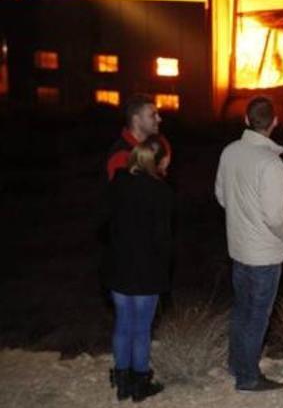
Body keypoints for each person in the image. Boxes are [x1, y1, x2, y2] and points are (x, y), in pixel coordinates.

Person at [214, 96, 283, 393]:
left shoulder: (229, 152)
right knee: (258, 315)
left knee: (241, 309)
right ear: (274, 122)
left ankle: (237, 363)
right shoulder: (271, 163)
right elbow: (275, 215)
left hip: (238, 247)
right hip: (264, 252)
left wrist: (241, 214)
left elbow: (222, 196)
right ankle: (248, 376)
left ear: (246, 120)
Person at [102, 136, 173, 402]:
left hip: (119, 267)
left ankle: (122, 381)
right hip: (146, 271)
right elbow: (163, 239)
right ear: (160, 161)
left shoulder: (118, 183)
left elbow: (105, 223)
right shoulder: (161, 192)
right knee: (141, 328)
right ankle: (140, 383)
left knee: (123, 323)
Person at [107, 94, 172, 180]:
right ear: (136, 120)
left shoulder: (153, 142)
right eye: (153, 115)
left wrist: (166, 155)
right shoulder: (121, 157)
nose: (159, 119)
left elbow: (162, 140)